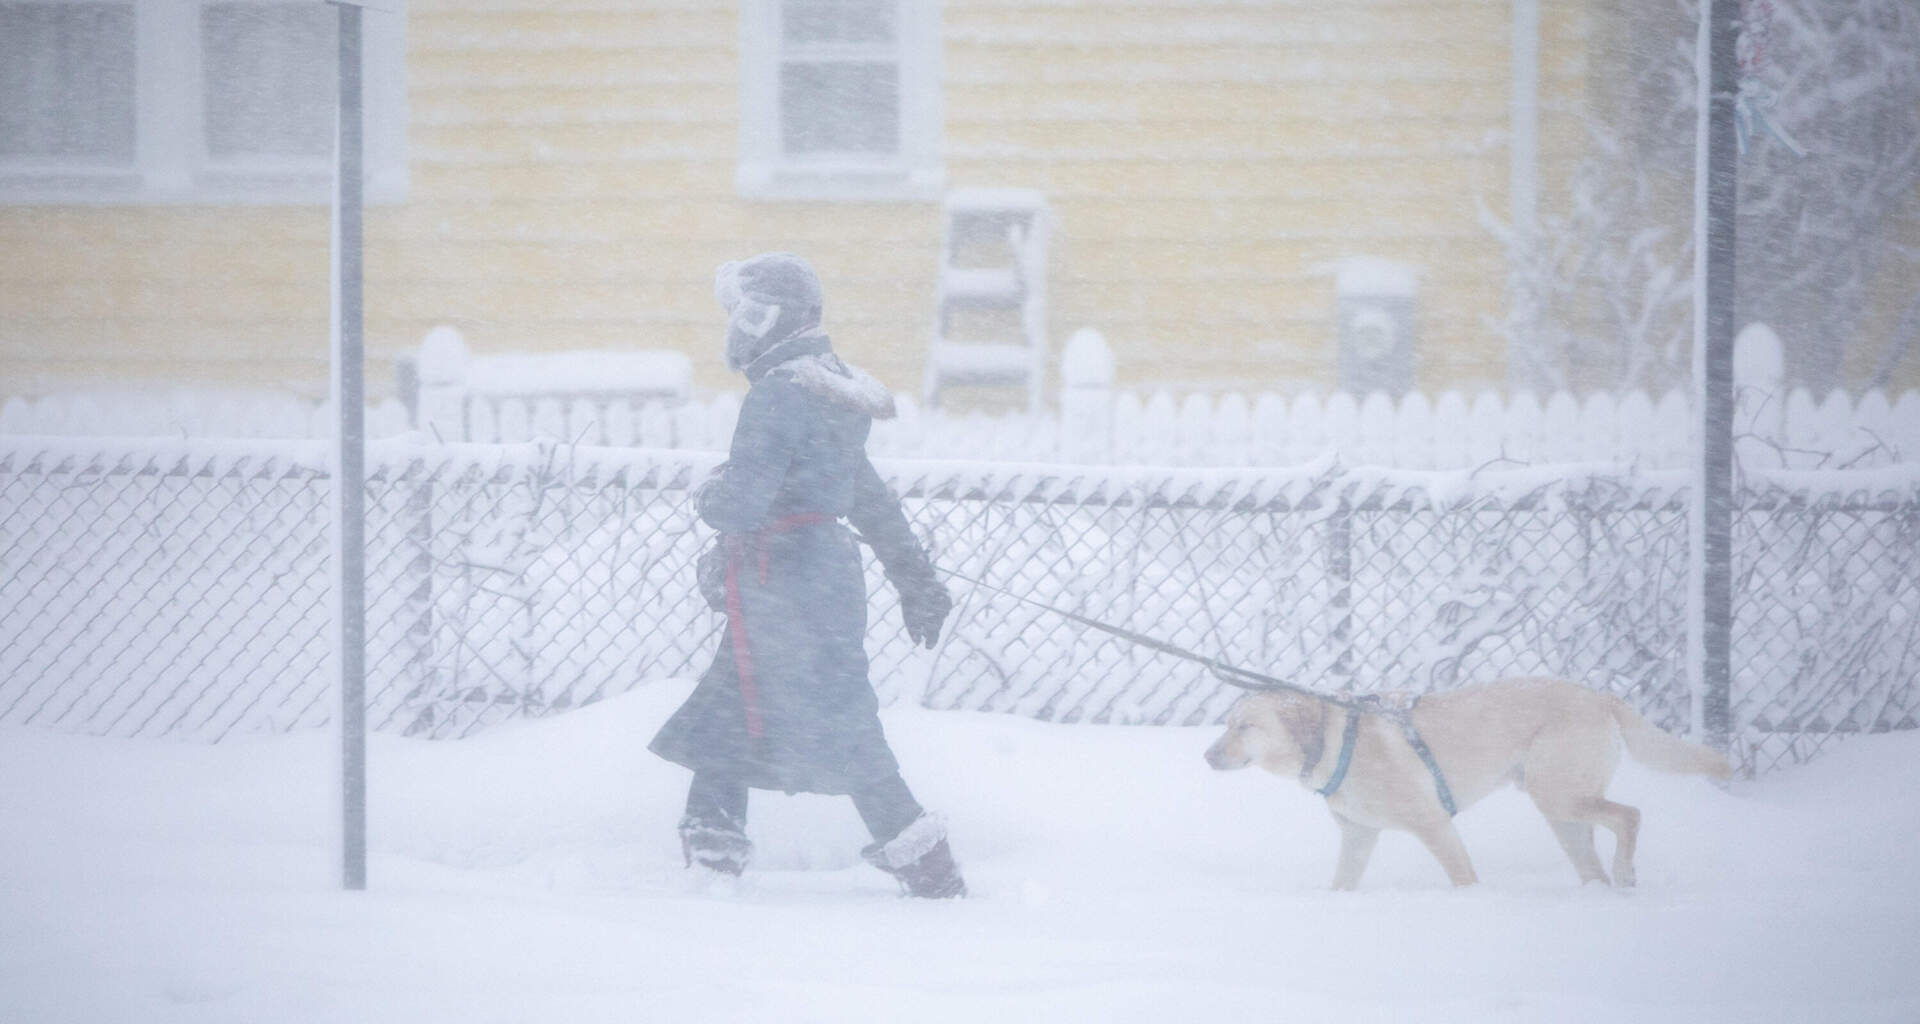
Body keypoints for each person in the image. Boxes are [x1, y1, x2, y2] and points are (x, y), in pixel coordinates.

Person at [648, 251, 964, 898]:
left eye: (742, 314)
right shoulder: (830, 388)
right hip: (822, 576)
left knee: (841, 721)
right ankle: (712, 848)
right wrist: (916, 580)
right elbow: (869, 499)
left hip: (781, 583)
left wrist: (709, 490)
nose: (736, 326)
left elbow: (740, 503)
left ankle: (930, 870)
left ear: (766, 319)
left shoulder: (777, 395)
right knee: (729, 709)